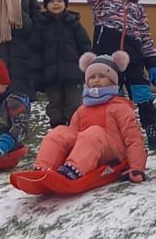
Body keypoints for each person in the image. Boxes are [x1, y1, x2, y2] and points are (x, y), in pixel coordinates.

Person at [84, 0, 156, 151]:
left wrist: (152, 64)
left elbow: (146, 38)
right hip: (107, 61)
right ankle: (114, 136)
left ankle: (153, 133)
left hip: (134, 61)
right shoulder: (102, 0)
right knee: (113, 100)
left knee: (143, 97)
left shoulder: (137, 9)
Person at [35, 51, 147, 180]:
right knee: (60, 132)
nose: (96, 80)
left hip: (112, 155)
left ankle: (73, 170)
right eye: (92, 77)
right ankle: (43, 167)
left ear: (112, 81)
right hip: (86, 151)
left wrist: (137, 168)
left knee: (94, 133)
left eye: (102, 76)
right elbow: (72, 136)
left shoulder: (120, 107)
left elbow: (133, 138)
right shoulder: (83, 109)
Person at [30, 0, 92, 127]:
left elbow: (85, 46)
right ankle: (58, 131)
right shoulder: (41, 26)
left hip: (74, 75)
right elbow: (35, 51)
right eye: (52, 1)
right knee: (55, 107)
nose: (56, 4)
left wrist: (87, 68)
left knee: (75, 105)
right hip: (51, 76)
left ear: (65, 3)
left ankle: (75, 130)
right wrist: (35, 73)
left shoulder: (74, 24)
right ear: (46, 5)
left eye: (59, 0)